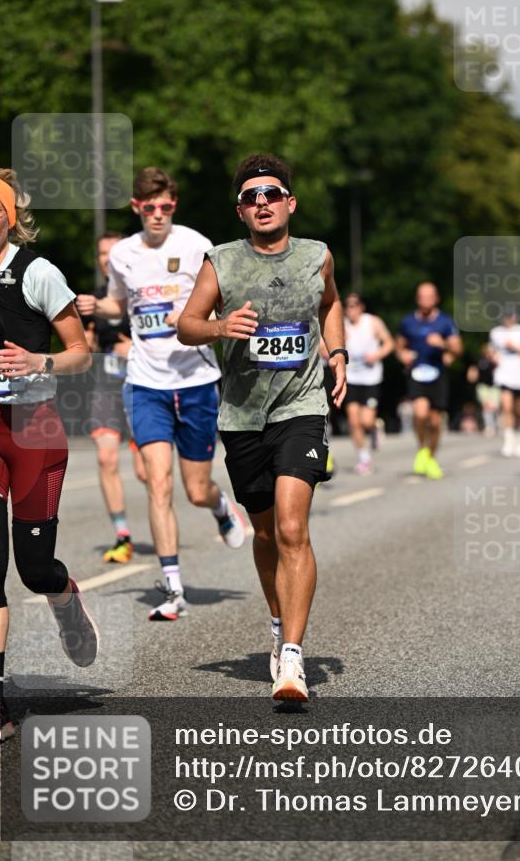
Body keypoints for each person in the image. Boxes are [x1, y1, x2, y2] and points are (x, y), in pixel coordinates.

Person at [178, 153, 347, 702]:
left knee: (295, 528)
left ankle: (293, 658)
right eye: (251, 198)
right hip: (243, 415)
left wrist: (338, 352)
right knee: (268, 532)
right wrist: (221, 326)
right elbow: (186, 326)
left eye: (271, 194)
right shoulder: (221, 262)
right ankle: (278, 628)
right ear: (240, 212)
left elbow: (331, 304)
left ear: (289, 203)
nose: (262, 203)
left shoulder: (316, 256)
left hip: (303, 406)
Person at [76, 167, 246, 623]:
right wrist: (99, 307)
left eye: (165, 206)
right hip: (146, 382)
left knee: (194, 489)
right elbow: (118, 302)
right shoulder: (125, 254)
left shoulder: (195, 245)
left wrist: (194, 315)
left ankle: (221, 506)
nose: (157, 214)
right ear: (136, 208)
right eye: (148, 207)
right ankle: (173, 587)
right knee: (158, 480)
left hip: (194, 381)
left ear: (175, 205)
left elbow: (222, 300)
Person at [0, 165, 97, 744]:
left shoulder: (37, 272)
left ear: (9, 219)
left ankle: (63, 594)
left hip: (33, 427)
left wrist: (39, 362)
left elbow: (81, 350)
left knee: (32, 569)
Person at [84, 232, 147, 563]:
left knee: (145, 471)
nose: (107, 259)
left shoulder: (141, 292)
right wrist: (87, 343)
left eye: (113, 252)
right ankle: (122, 535)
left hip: (141, 388)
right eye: (102, 254)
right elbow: (87, 345)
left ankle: (167, 524)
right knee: (107, 459)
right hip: (106, 388)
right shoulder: (94, 299)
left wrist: (134, 350)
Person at [395, 282, 462, 478]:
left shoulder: (445, 322)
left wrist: (443, 344)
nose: (425, 300)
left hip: (438, 374)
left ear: (436, 298)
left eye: (429, 296)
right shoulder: (408, 322)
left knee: (434, 422)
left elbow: (458, 349)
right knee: (420, 413)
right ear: (417, 299)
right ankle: (422, 449)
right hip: (417, 373)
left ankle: (431, 457)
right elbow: (398, 346)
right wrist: (402, 355)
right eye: (422, 296)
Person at [343, 292, 394, 474]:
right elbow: (325, 346)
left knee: (366, 420)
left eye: (354, 305)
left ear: (362, 307)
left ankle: (374, 428)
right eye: (347, 305)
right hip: (351, 378)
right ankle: (364, 458)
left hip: (371, 378)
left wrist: (377, 355)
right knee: (353, 420)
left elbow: (389, 343)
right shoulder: (342, 325)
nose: (350, 309)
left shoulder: (372, 322)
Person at [489, 309, 520, 457]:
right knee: (506, 407)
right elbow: (492, 350)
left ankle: (519, 436)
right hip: (504, 373)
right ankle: (508, 439)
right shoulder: (496, 332)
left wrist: (515, 347)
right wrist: (493, 356)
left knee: (519, 410)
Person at [466, 343, 499, 438]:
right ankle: (489, 426)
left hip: (494, 386)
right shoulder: (480, 361)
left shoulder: (495, 361)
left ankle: (495, 424)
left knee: (494, 407)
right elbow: (473, 372)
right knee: (486, 407)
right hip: (483, 386)